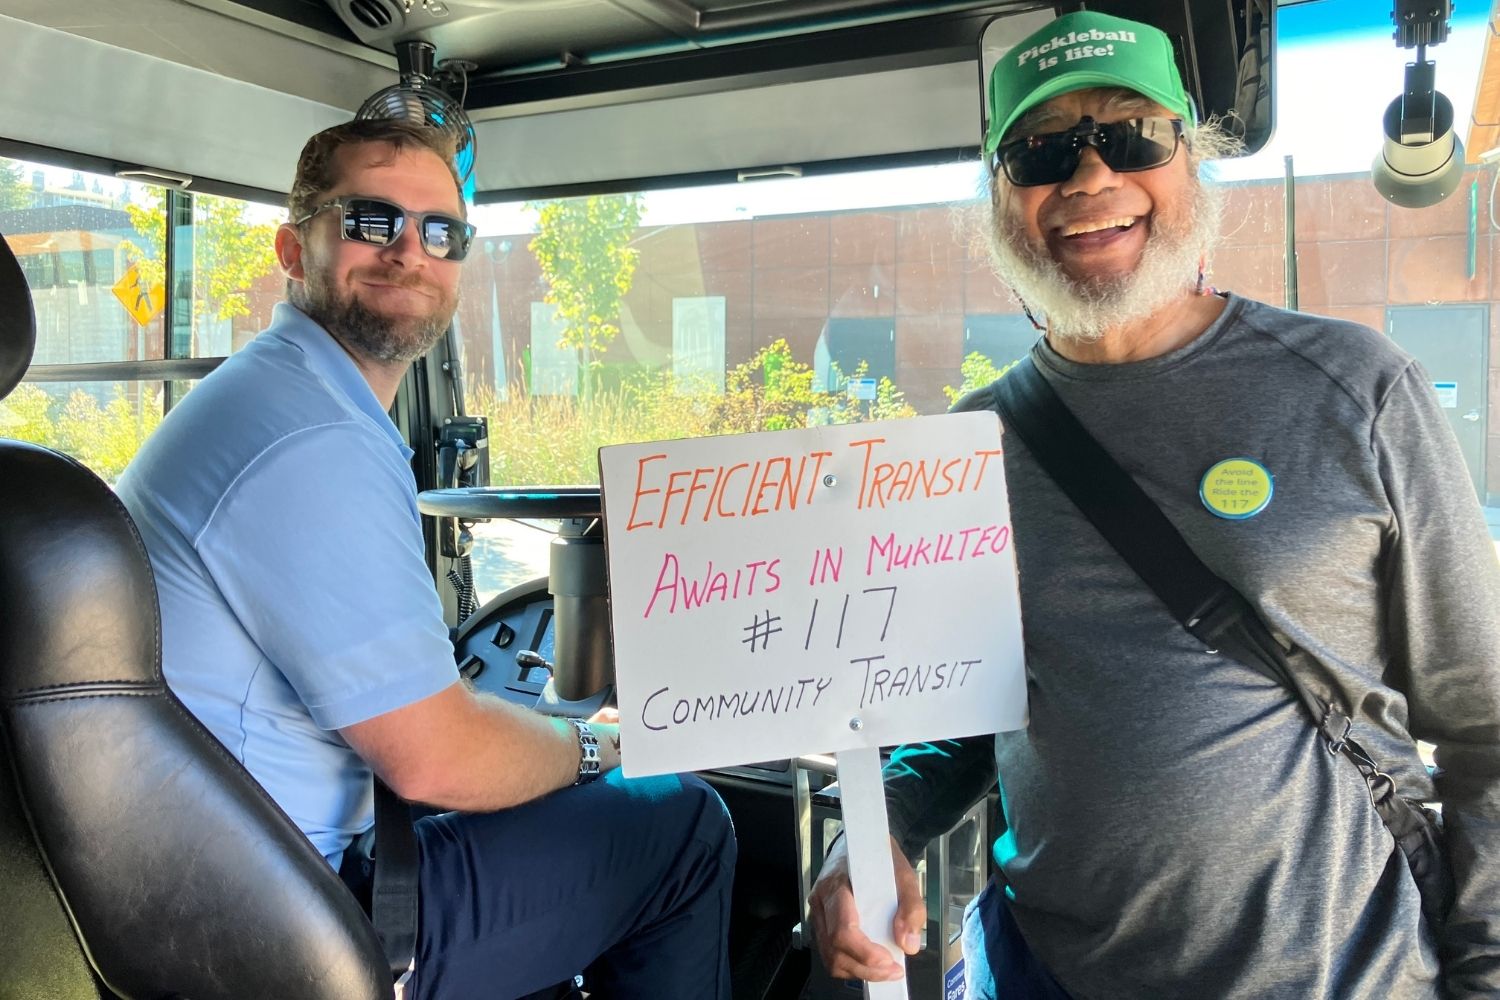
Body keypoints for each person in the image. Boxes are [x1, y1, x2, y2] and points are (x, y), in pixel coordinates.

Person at [808, 10, 1500, 999]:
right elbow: (954, 720)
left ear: (1195, 160)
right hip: (1042, 975)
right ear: (1002, 196)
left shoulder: (1356, 391)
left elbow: (1487, 728)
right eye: (1042, 152)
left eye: (1130, 136)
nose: (1089, 178)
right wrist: (871, 837)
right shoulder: (961, 451)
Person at [116, 118, 736, 1000]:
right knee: (683, 825)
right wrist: (599, 745)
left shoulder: (285, 393)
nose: (410, 252)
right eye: (372, 220)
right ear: (295, 247)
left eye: (442, 232)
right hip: (285, 913)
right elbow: (436, 759)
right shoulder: (312, 437)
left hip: (232, 867)